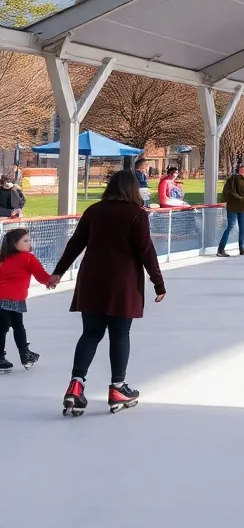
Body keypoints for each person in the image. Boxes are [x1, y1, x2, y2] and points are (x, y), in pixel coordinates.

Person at [48, 171, 166, 416]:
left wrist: (58, 272)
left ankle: (76, 384)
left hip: (91, 280)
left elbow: (75, 243)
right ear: (132, 189)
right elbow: (146, 250)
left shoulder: (94, 211)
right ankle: (118, 388)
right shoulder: (136, 214)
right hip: (122, 282)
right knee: (120, 334)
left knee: (90, 333)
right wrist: (158, 282)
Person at [0, 229, 52, 372]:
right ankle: (25, 354)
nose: (29, 243)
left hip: (4, 297)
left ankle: (7, 356)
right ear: (14, 243)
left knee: (3, 328)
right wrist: (51, 280)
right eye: (25, 240)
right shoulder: (28, 258)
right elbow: (41, 275)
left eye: (29, 240)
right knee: (17, 326)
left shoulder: (2, 258)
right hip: (14, 298)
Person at [217, 164, 244, 258]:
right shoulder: (235, 178)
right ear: (242, 169)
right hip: (235, 205)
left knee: (241, 227)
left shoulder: (238, 179)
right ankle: (221, 249)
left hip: (239, 205)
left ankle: (241, 248)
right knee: (231, 226)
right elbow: (239, 191)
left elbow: (242, 191)